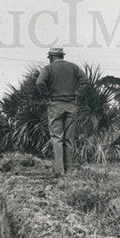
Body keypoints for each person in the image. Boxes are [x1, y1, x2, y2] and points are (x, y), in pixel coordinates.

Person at [36, 46, 88, 176]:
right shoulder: (74, 67)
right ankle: (70, 170)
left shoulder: (49, 68)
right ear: (62, 56)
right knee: (69, 138)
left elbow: (39, 83)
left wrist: (47, 95)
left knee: (57, 138)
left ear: (51, 57)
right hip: (71, 105)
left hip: (55, 105)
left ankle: (60, 171)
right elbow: (85, 81)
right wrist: (77, 94)